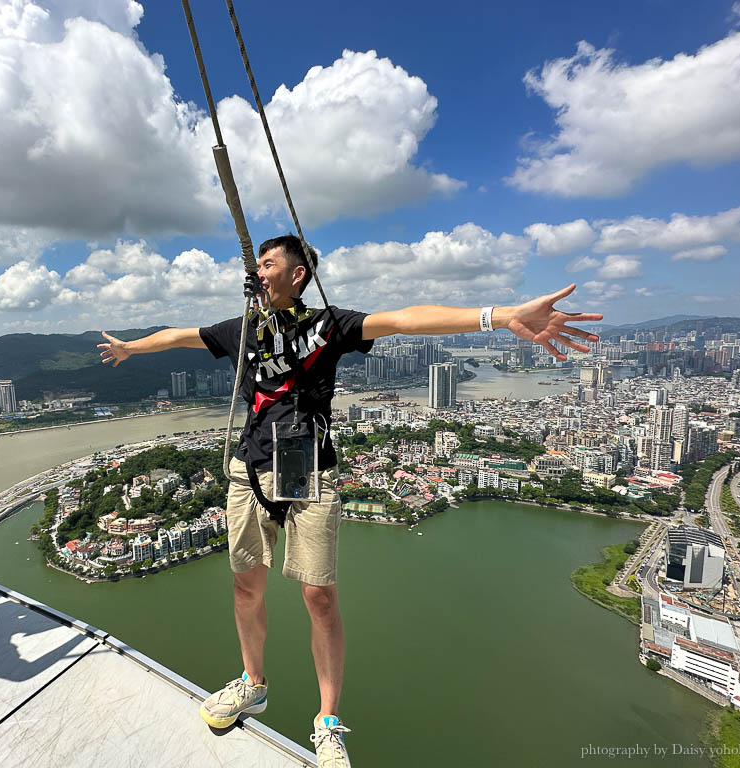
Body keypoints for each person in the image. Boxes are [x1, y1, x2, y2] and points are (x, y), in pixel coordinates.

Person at [98, 235, 603, 767]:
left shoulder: (327, 326)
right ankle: (253, 682)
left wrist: (498, 317)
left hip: (310, 471)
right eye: (256, 266)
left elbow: (405, 319)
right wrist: (133, 348)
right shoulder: (244, 329)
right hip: (249, 470)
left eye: (268, 264)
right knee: (245, 586)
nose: (258, 274)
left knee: (319, 595)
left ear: (298, 276)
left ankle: (328, 721)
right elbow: (182, 335)